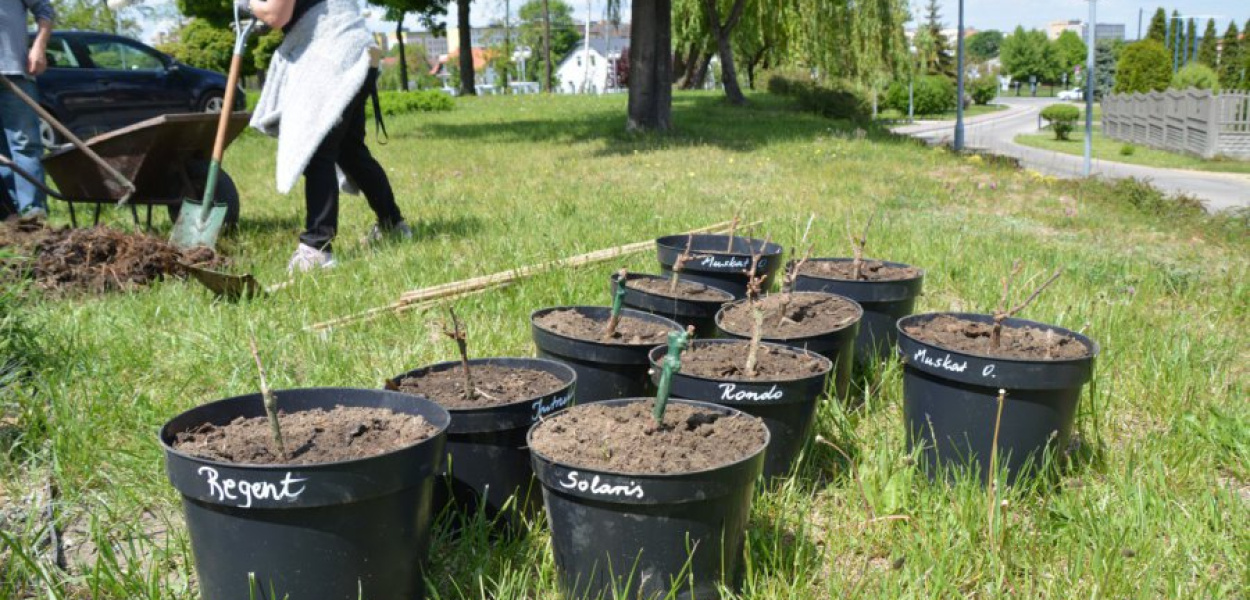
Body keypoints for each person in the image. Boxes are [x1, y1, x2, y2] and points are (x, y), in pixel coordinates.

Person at [248, 0, 413, 273]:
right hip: (357, 51)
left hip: (335, 55)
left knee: (317, 150)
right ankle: (393, 225)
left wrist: (248, 4)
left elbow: (276, 15)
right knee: (350, 151)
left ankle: (317, 249)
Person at [0, 0, 54, 221]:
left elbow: (44, 9)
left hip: (14, 72)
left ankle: (33, 211)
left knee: (25, 144)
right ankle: (9, 214)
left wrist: (39, 48)